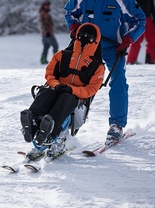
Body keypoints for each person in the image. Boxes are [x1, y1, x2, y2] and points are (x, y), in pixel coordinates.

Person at [64, 0, 146, 146]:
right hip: (86, 46)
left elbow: (139, 20)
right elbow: (69, 13)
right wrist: (74, 26)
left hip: (112, 48)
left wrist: (128, 39)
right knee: (73, 79)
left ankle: (116, 125)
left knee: (118, 80)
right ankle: (67, 122)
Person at [20, 23, 105, 159]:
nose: (84, 37)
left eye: (89, 36)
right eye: (82, 34)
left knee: (65, 98)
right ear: (77, 35)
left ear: (95, 40)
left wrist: (71, 89)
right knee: (45, 92)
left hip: (75, 100)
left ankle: (51, 132)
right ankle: (33, 123)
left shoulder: (97, 66)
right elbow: (49, 73)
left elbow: (91, 89)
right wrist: (56, 84)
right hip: (56, 89)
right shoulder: (62, 55)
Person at [38, 0, 59, 64]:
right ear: (43, 6)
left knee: (46, 47)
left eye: (48, 5)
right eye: (46, 5)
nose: (48, 6)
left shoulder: (44, 13)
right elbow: (43, 23)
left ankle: (43, 60)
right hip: (47, 33)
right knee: (55, 46)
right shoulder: (44, 14)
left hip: (44, 33)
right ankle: (55, 61)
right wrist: (46, 31)